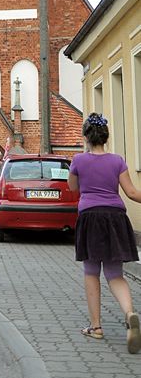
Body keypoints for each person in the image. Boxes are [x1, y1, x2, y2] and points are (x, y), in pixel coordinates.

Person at [68, 112, 141, 353]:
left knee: (91, 271)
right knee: (115, 274)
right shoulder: (118, 161)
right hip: (116, 218)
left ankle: (96, 327)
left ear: (86, 137)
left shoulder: (78, 160)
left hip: (90, 216)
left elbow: (73, 187)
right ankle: (130, 314)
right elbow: (131, 192)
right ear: (106, 137)